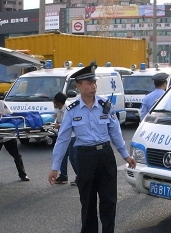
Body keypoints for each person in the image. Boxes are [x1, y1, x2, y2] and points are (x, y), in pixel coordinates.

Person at [48, 64, 136, 233]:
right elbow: (63, 139)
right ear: (79, 86)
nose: (93, 85)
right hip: (85, 156)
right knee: (87, 202)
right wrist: (55, 167)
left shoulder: (106, 105)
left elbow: (115, 132)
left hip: (105, 155)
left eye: (94, 82)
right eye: (89, 83)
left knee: (109, 201)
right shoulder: (72, 110)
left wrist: (125, 155)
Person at [52, 92, 78, 186]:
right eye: (54, 103)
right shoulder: (58, 108)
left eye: (56, 104)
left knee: (73, 157)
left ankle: (79, 177)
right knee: (62, 155)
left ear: (61, 103)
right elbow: (58, 118)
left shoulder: (69, 109)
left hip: (72, 135)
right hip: (63, 135)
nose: (55, 105)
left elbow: (72, 123)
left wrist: (59, 125)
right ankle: (63, 176)